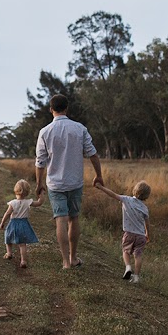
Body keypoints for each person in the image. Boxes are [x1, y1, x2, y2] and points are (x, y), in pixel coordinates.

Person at [35, 94, 103, 269]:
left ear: (51, 110)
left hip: (55, 184)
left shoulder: (45, 132)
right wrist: (98, 175)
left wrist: (39, 183)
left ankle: (65, 262)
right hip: (75, 182)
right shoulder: (79, 128)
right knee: (74, 218)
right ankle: (73, 258)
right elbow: (93, 154)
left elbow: (40, 162)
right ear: (67, 108)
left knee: (61, 220)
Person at [93, 179, 151, 283]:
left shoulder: (126, 199)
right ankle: (136, 276)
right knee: (138, 255)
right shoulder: (145, 208)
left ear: (135, 190)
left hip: (129, 234)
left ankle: (128, 267)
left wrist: (100, 187)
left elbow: (112, 194)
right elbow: (147, 223)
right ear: (147, 196)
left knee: (125, 251)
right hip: (141, 236)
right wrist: (147, 234)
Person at [0, 179, 44, 269]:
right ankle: (23, 260)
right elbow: (39, 203)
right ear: (27, 192)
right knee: (22, 244)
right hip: (24, 224)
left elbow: (7, 213)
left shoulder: (12, 203)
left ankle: (9, 253)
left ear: (16, 190)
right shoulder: (28, 202)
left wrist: (2, 222)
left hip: (13, 223)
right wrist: (41, 194)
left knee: (8, 238)